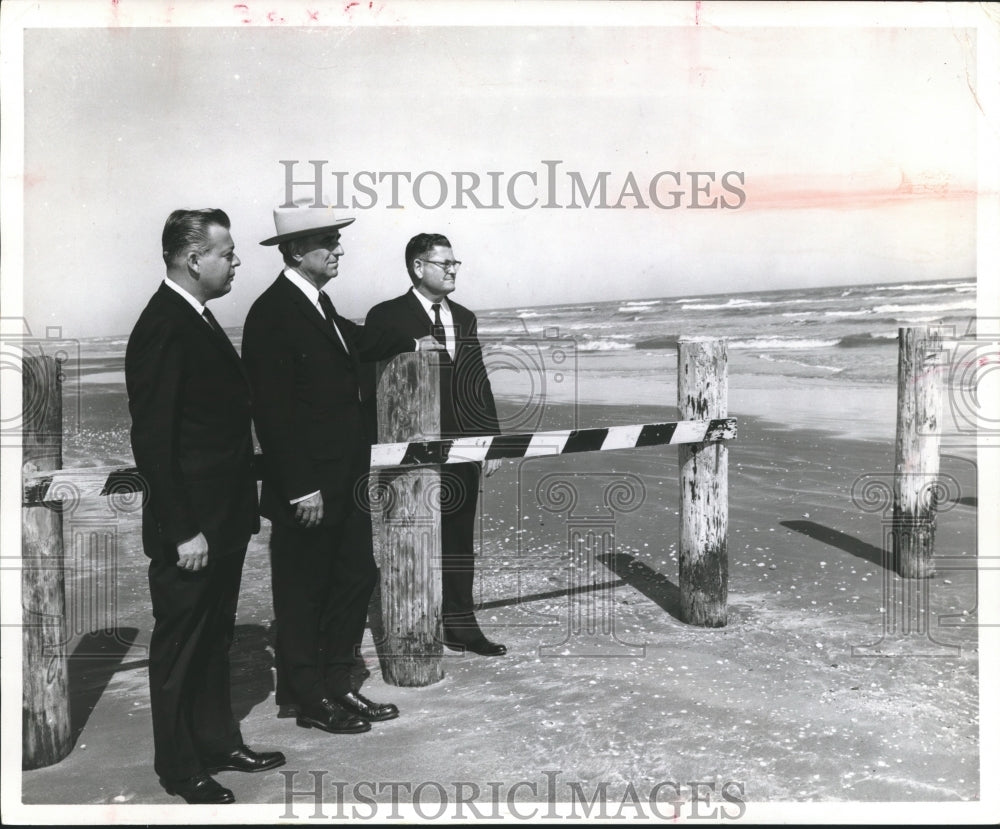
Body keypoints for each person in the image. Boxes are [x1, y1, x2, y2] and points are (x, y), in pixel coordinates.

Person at [242, 206, 441, 734]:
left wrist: (408, 342)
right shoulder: (272, 312)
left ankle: (337, 684)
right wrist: (301, 487)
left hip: (343, 478)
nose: (339, 250)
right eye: (328, 241)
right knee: (304, 590)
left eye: (336, 240)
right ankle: (309, 698)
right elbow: (273, 411)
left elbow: (356, 343)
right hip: (309, 485)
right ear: (294, 251)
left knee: (354, 576)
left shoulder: (317, 302)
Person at [125, 209, 285, 805]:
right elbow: (154, 441)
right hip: (190, 526)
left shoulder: (197, 317)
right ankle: (180, 766)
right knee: (181, 645)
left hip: (221, 519)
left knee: (215, 636)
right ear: (195, 260)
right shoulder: (164, 323)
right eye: (228, 253)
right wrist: (183, 529)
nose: (236, 262)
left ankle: (218, 743)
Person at [365, 233, 506, 656]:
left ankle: (461, 624)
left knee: (459, 536)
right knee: (412, 537)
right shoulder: (386, 315)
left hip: (463, 445)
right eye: (443, 263)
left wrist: (490, 440)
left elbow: (476, 378)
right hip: (409, 448)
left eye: (454, 262)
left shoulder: (464, 317)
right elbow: (367, 371)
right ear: (417, 267)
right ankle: (413, 627)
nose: (452, 269)